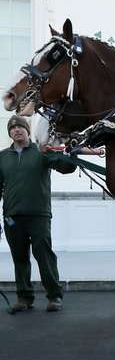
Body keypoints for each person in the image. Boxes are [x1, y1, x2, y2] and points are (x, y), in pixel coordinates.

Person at [0, 115, 77, 312]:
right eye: (13, 128)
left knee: (44, 255)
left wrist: (73, 151)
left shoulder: (42, 152)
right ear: (9, 132)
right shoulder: (2, 157)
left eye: (21, 127)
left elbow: (66, 168)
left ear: (27, 130)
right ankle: (24, 299)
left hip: (39, 214)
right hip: (11, 216)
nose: (17, 130)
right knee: (19, 257)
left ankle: (54, 297)